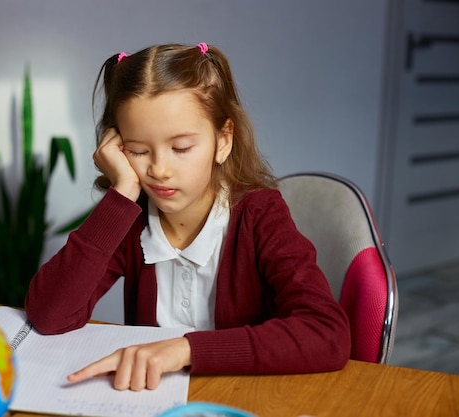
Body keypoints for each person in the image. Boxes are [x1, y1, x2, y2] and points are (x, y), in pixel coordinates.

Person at [24, 42, 351, 391]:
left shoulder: (260, 214)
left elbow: (326, 333)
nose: (159, 170)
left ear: (222, 141)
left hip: (244, 398)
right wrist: (120, 195)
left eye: (181, 148)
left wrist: (184, 349)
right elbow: (49, 315)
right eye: (137, 150)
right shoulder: (129, 219)